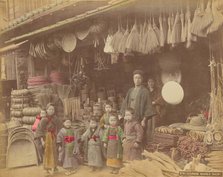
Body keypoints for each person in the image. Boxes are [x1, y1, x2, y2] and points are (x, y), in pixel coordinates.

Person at [120, 70, 155, 144]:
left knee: (139, 135)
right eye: (135, 78)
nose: (137, 80)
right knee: (128, 136)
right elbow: (125, 104)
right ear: (133, 79)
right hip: (129, 118)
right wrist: (123, 115)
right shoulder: (130, 90)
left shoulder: (145, 91)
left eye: (139, 78)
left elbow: (148, 106)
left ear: (142, 79)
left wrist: (144, 120)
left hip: (139, 118)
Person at [35, 103, 61, 175]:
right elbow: (40, 130)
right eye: (50, 109)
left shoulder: (56, 119)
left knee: (55, 152)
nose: (51, 110)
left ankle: (54, 167)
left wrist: (58, 138)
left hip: (54, 137)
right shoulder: (44, 119)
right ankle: (47, 169)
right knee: (47, 153)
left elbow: (59, 128)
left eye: (52, 109)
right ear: (47, 110)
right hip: (46, 137)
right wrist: (42, 140)